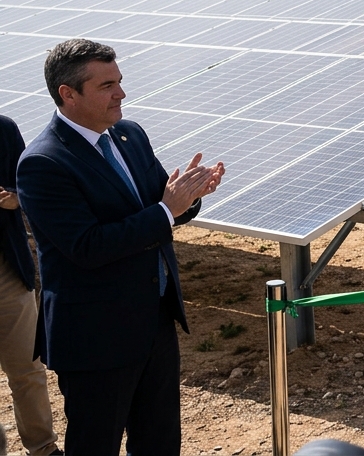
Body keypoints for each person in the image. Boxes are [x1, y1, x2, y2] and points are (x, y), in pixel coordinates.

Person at [17, 38, 224, 455]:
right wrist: (167, 211)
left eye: (120, 81)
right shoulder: (44, 163)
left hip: (154, 321)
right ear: (68, 94)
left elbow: (157, 206)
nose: (121, 93)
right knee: (96, 445)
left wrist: (189, 198)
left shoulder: (128, 135)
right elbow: (87, 246)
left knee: (160, 443)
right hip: (96, 338)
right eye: (107, 85)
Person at [1, 115, 63, 456]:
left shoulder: (4, 130)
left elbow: (28, 190)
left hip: (8, 270)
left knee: (27, 368)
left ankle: (42, 448)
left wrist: (14, 199)